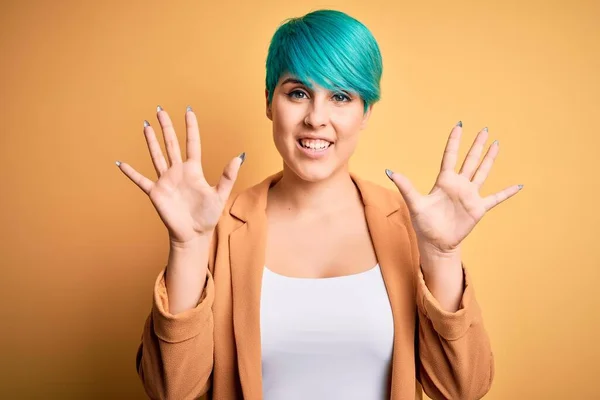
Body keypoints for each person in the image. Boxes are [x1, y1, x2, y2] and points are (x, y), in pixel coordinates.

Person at [119, 9, 522, 400]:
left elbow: (463, 388)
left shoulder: (411, 225)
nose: (316, 117)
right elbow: (169, 391)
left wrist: (443, 255)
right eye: (298, 93)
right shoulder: (220, 228)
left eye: (341, 96)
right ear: (268, 102)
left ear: (365, 112)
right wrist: (187, 248)